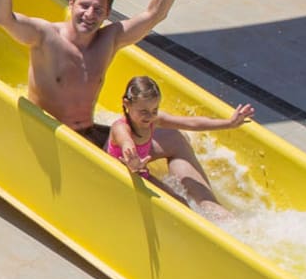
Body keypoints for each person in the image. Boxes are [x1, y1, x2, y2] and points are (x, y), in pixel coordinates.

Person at [0, 0, 233, 217]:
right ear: (71, 4)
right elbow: (3, 18)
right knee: (166, 198)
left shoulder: (109, 40)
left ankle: (212, 210)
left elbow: (154, 14)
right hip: (57, 141)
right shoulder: (45, 36)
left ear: (107, 14)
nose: (90, 15)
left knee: (176, 139)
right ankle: (184, 214)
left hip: (90, 134)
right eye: (84, 6)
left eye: (98, 10)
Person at [106, 76, 253, 203]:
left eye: (154, 110)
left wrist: (228, 123)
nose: (149, 116)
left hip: (139, 171)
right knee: (178, 203)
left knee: (181, 201)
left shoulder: (153, 120)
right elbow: (127, 143)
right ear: (127, 104)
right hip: (121, 176)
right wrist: (134, 162)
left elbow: (191, 123)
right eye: (143, 111)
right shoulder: (121, 128)